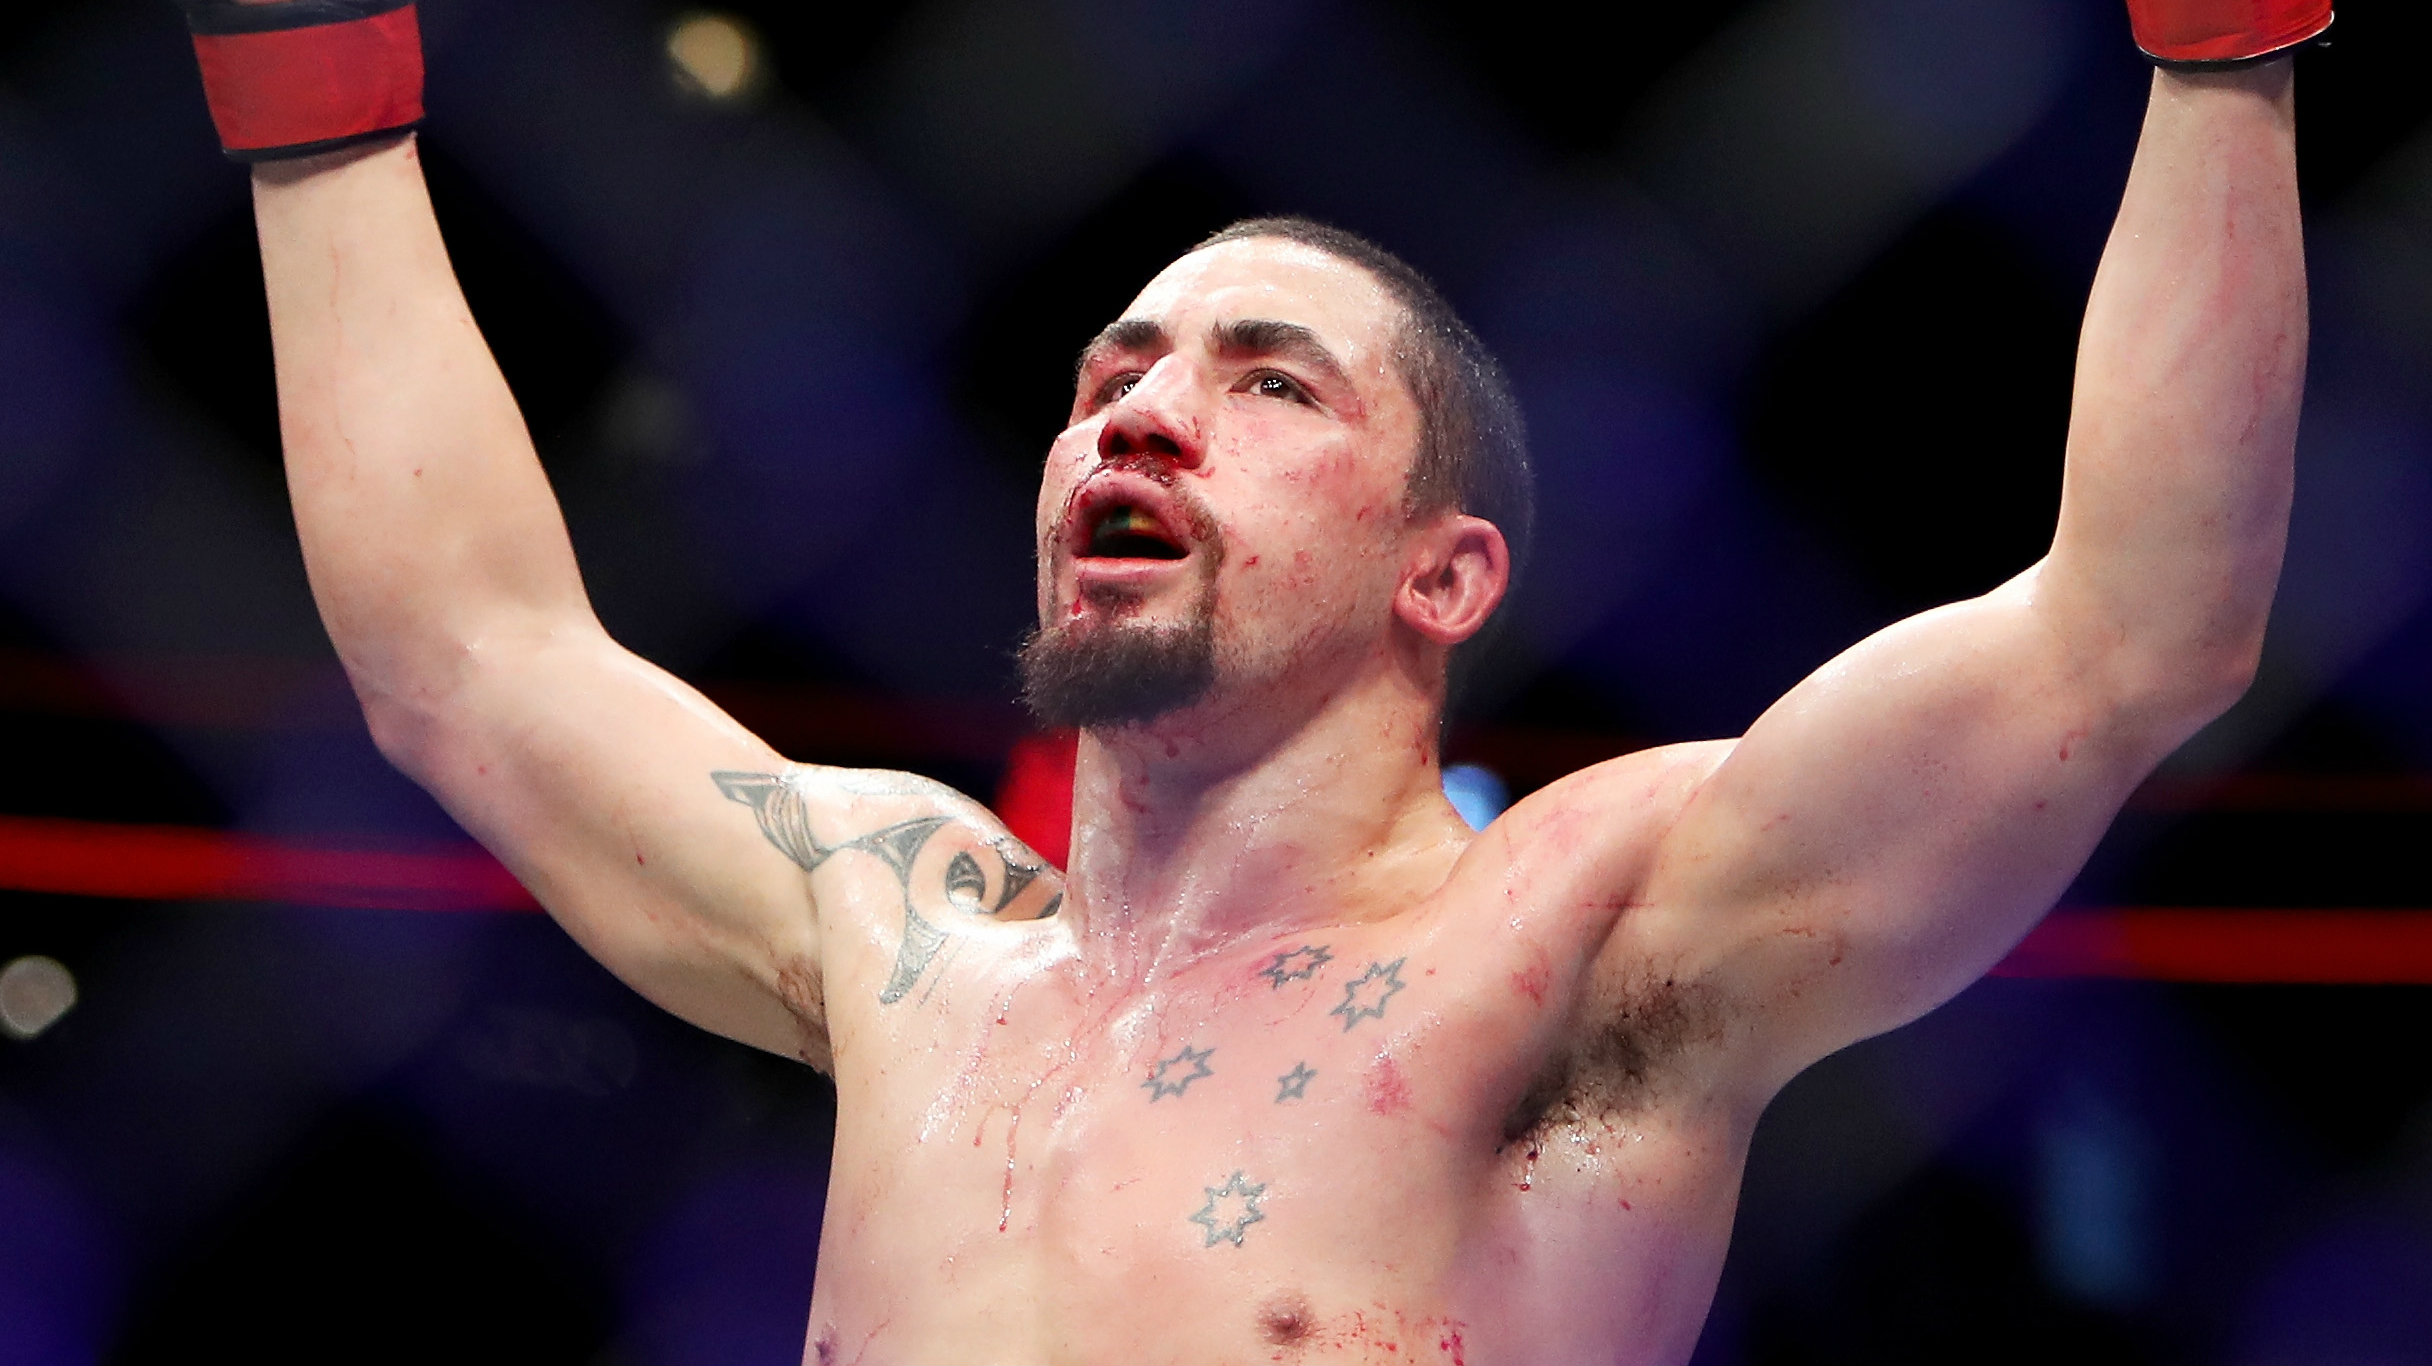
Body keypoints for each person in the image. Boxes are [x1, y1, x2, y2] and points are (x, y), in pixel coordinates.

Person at [177, 0, 2320, 1358]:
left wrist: (2219, 46)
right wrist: (305, 60)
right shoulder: (908, 940)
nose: (1139, 413)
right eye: (1109, 376)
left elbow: (2135, 629)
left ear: (1443, 571)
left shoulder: (1583, 931)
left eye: (1268, 381)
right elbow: (469, 658)